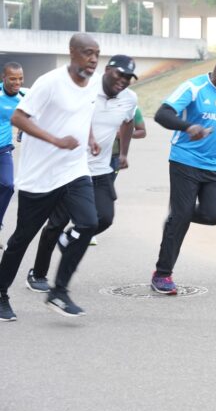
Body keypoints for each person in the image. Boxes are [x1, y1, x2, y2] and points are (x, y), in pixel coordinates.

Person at [0, 33, 101, 321]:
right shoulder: (50, 82)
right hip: (40, 176)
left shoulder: (93, 81)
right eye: (87, 53)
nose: (93, 59)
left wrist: (90, 137)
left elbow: (86, 111)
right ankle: (0, 293)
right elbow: (19, 117)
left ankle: (59, 291)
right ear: (71, 52)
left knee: (89, 222)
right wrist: (55, 140)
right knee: (21, 239)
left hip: (74, 170)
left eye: (96, 53)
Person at [25, 55, 139, 293]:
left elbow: (128, 123)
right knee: (55, 223)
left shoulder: (129, 99)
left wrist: (124, 153)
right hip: (71, 167)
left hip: (101, 168)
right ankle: (38, 273)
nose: (123, 81)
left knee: (104, 218)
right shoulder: (85, 88)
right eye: (120, 74)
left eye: (128, 78)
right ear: (107, 70)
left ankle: (70, 238)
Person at [151, 51, 216, 295]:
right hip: (185, 160)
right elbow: (162, 114)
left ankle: (177, 217)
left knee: (214, 215)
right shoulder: (193, 87)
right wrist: (188, 126)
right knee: (181, 217)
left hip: (215, 165)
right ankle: (162, 274)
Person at [0, 63, 26, 244]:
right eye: (13, 78)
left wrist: (23, 131)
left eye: (20, 78)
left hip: (3, 150)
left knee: (8, 186)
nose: (17, 82)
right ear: (3, 78)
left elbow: (32, 116)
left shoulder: (24, 98)